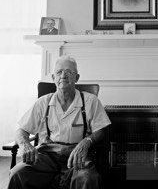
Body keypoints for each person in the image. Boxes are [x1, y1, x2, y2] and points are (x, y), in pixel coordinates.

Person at [8, 56, 111, 189]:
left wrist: (86, 142)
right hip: (45, 156)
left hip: (77, 156)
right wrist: (24, 144)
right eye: (59, 72)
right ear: (53, 78)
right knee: (18, 173)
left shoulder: (91, 101)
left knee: (87, 178)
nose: (63, 75)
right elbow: (21, 130)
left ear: (77, 78)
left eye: (69, 72)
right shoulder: (42, 102)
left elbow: (100, 131)